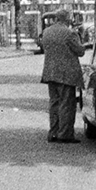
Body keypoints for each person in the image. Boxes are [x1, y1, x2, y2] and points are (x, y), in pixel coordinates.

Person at [39, 11, 86, 143]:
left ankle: (53, 132)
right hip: (66, 74)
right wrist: (81, 39)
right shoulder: (70, 33)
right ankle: (65, 134)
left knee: (54, 103)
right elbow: (80, 51)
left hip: (50, 72)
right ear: (68, 19)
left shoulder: (47, 32)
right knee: (67, 104)